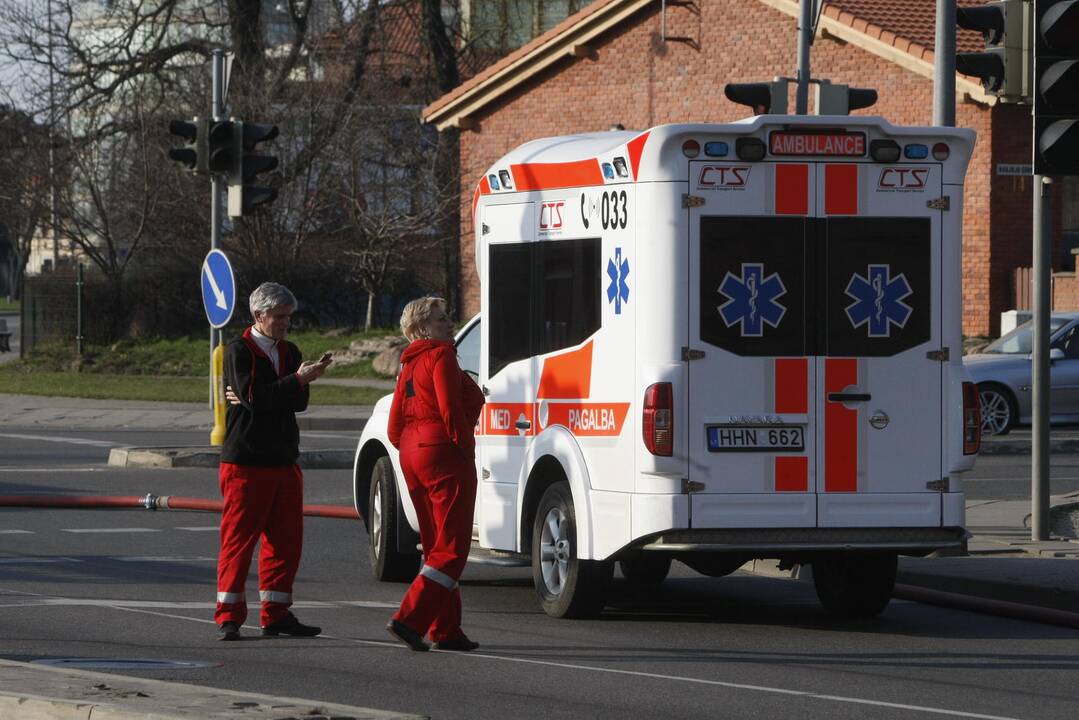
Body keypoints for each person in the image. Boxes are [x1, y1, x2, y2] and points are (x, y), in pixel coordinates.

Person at [215, 282, 330, 641]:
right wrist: (294, 382)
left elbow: (296, 403)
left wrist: (291, 385)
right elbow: (254, 399)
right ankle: (229, 615)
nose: (285, 323)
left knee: (285, 541)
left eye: (288, 317)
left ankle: (276, 613)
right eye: (279, 317)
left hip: (283, 458)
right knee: (239, 540)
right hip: (246, 461)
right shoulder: (239, 350)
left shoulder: (290, 351)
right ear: (259, 316)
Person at [385, 296, 485, 652]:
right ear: (423, 328)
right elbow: (449, 408)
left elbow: (394, 424)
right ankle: (409, 619)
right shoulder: (441, 356)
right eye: (442, 319)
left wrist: (413, 448)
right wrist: (463, 447)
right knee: (452, 547)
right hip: (442, 453)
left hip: (414, 452)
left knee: (434, 544)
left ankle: (446, 628)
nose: (450, 324)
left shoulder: (408, 364)